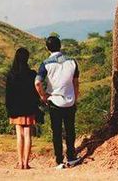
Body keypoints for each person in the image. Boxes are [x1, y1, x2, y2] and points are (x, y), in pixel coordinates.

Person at [34, 36, 82, 169]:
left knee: (56, 131)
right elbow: (76, 83)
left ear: (47, 48)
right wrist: (75, 97)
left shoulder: (46, 64)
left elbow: (37, 82)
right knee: (70, 130)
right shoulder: (72, 62)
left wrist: (44, 96)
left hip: (55, 101)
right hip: (70, 101)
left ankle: (59, 160)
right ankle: (71, 157)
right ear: (60, 46)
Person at [5, 47, 39, 170]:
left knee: (19, 135)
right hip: (29, 107)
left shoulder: (11, 75)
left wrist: (9, 109)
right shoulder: (32, 74)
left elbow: (8, 94)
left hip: (16, 109)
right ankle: (26, 163)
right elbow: (35, 93)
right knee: (28, 134)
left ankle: (19, 163)